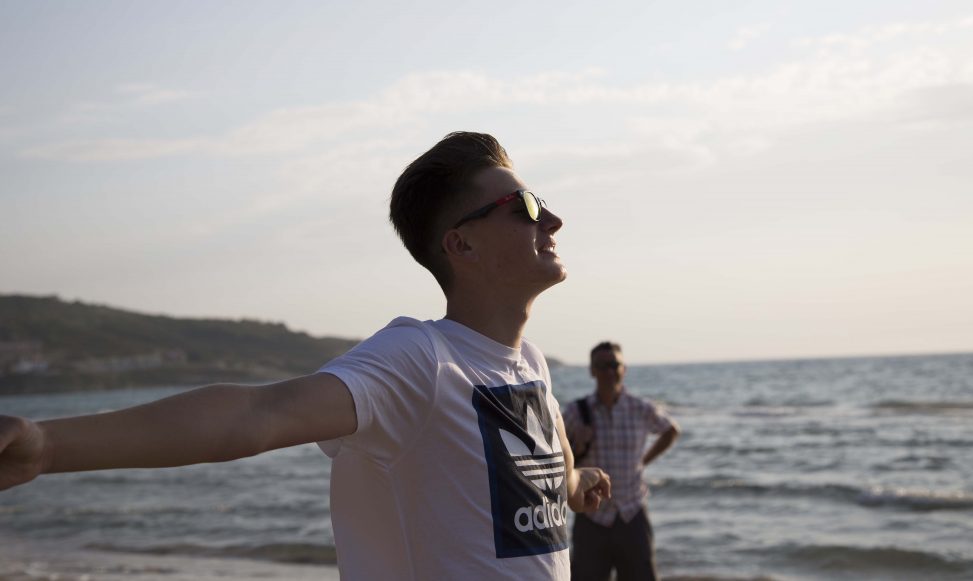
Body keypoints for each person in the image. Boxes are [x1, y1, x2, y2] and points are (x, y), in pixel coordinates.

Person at [0, 132, 611, 580]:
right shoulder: (419, 360)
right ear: (462, 243)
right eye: (526, 207)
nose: (553, 219)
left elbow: (545, 468)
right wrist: (48, 446)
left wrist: (576, 485)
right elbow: (259, 414)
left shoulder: (527, 363)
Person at [562, 341, 679, 581]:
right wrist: (578, 446)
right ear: (592, 371)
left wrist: (644, 461)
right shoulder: (576, 412)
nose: (608, 371)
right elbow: (554, 456)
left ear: (624, 368)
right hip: (591, 516)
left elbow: (670, 431)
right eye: (602, 366)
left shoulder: (640, 408)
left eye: (614, 364)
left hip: (632, 512)